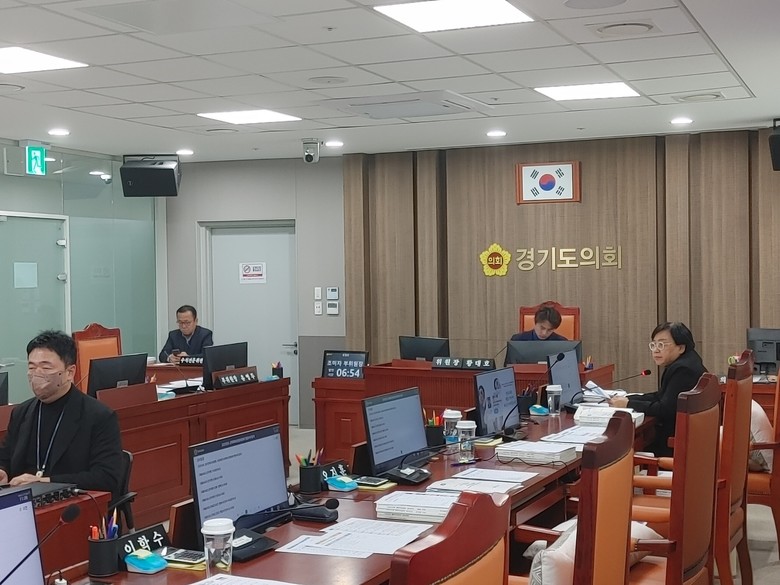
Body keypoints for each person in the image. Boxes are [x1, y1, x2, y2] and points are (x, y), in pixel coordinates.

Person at [0, 331, 122, 497]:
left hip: (72, 502)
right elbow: (5, 457)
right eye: (32, 367)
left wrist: (45, 482)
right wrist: (3, 471)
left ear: (69, 372)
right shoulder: (21, 412)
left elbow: (106, 478)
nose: (36, 374)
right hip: (23, 501)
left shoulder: (99, 416)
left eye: (45, 367)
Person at [609, 322, 707, 456]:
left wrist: (628, 404)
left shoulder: (683, 370)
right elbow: (662, 396)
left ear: (681, 347)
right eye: (654, 345)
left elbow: (664, 409)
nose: (656, 350)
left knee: (621, 451)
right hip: (683, 438)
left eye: (662, 345)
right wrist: (628, 399)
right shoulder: (687, 361)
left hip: (674, 446)